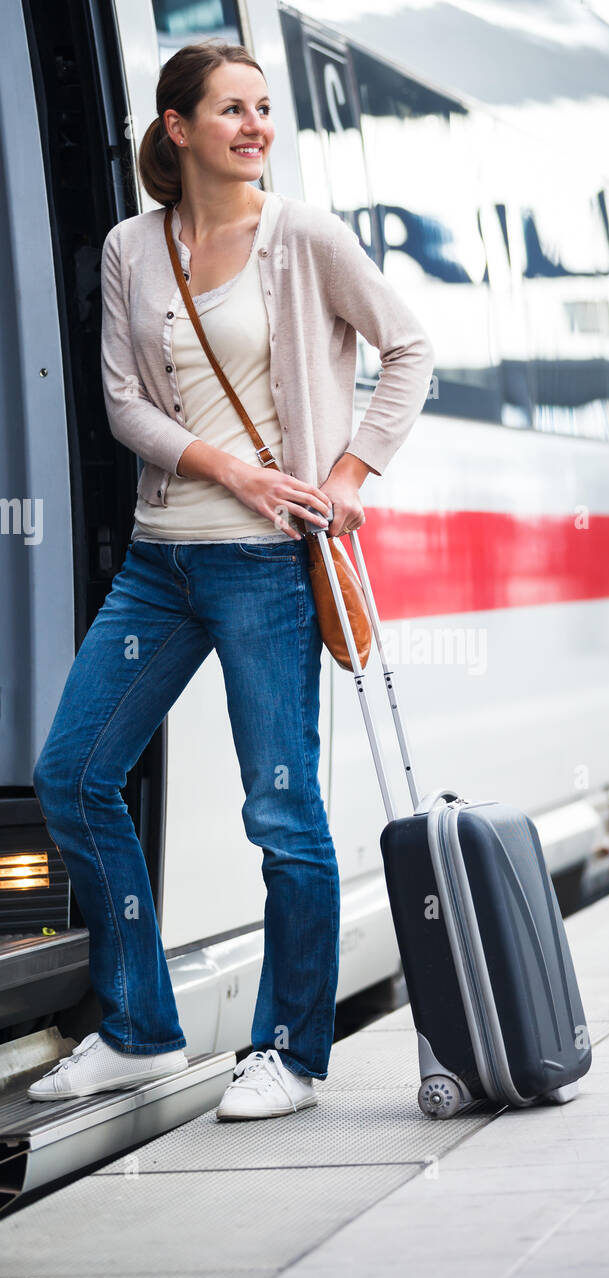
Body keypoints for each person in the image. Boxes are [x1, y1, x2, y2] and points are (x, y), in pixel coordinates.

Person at [28, 40, 434, 1119]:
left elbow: (408, 349)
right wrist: (233, 472)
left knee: (281, 812)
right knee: (72, 775)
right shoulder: (132, 245)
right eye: (231, 109)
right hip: (165, 559)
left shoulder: (303, 237)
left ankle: (291, 1054)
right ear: (177, 127)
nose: (256, 125)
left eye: (263, 109)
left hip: (267, 571)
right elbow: (125, 404)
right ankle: (140, 1028)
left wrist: (345, 474)